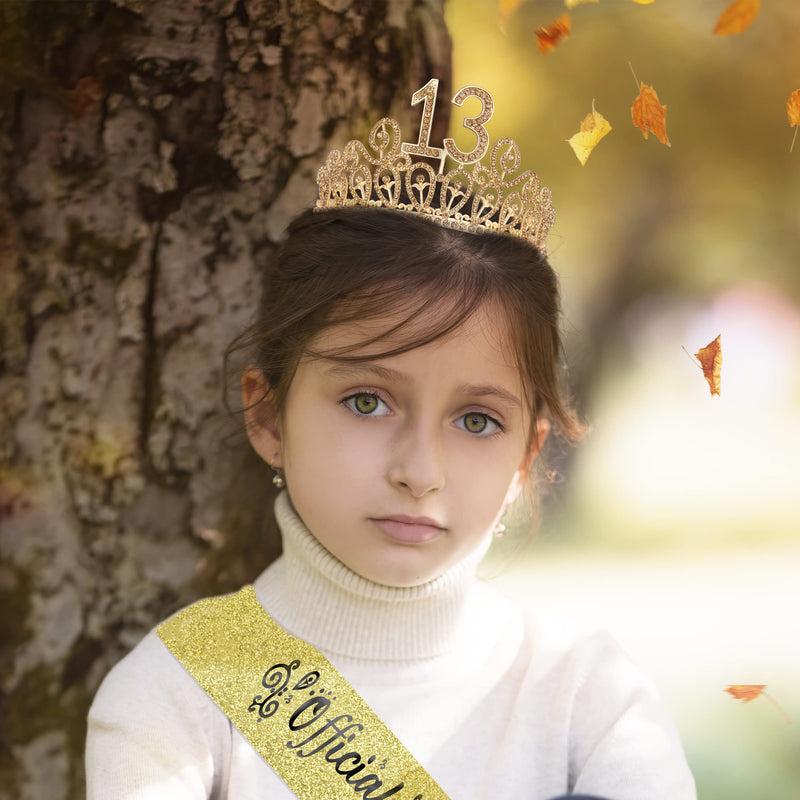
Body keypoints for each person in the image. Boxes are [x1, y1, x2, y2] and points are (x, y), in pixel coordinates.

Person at [85, 81, 696, 800]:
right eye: (367, 402)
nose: (420, 471)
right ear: (268, 417)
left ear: (526, 457)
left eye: (477, 421)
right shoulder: (179, 695)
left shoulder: (590, 697)